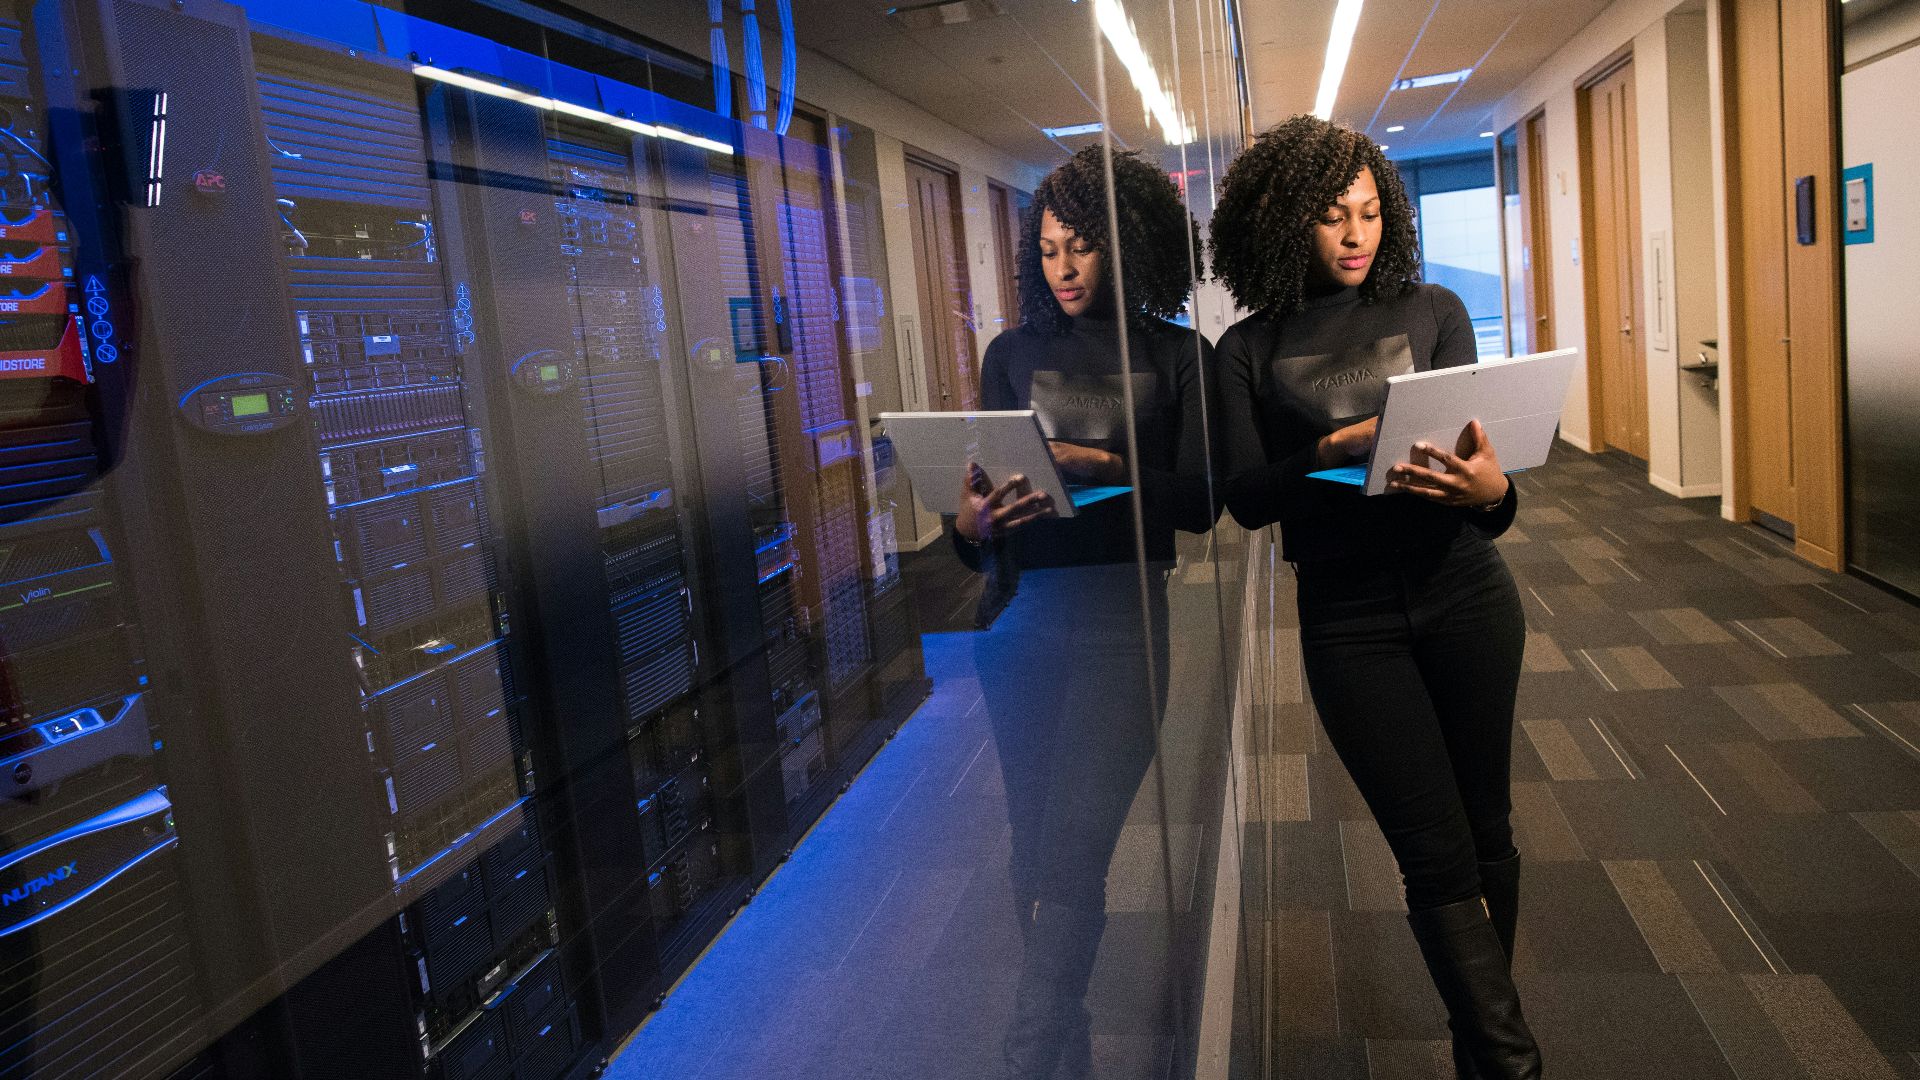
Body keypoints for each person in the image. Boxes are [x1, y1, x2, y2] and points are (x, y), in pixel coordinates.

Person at [1209, 116, 1541, 1079]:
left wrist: (1500, 494)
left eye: (1367, 213)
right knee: (1433, 854)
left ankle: (1483, 1050)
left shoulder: (1432, 309)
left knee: (1489, 831)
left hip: (1467, 594)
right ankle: (1512, 1059)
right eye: (1330, 217)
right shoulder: (1249, 347)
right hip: (1348, 621)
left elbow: (1485, 494)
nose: (1355, 234)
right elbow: (1243, 497)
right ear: (1282, 222)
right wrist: (1326, 452)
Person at [947, 144, 1217, 1079]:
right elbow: (973, 525)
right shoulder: (1010, 355)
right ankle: (1066, 1047)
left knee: (1075, 847)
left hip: (1123, 623)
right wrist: (973, 521)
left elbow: (1204, 503)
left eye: (1083, 247)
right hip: (1021, 621)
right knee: (1035, 851)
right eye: (1050, 247)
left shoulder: (1179, 355)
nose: (1063, 267)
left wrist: (1110, 470)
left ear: (1129, 245)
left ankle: (1027, 1054)